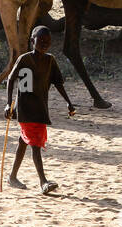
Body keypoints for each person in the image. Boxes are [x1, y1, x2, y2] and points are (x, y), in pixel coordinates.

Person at [5, 25, 75, 195]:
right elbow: (10, 79)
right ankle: (43, 182)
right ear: (32, 41)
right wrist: (8, 104)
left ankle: (12, 177)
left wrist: (68, 102)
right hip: (25, 109)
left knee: (24, 141)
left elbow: (58, 83)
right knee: (35, 143)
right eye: (41, 40)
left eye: (48, 42)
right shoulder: (24, 59)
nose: (44, 44)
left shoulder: (50, 61)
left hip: (40, 109)